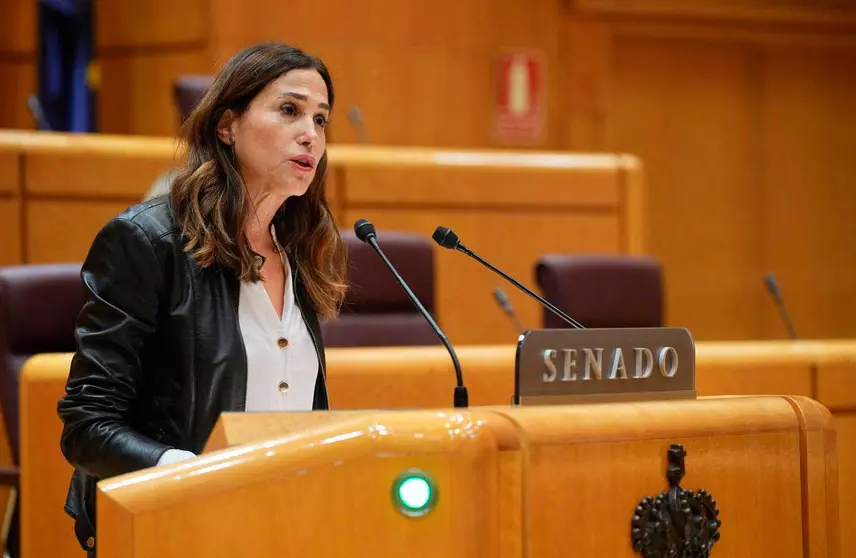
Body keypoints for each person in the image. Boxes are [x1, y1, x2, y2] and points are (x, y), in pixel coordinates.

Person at [56, 42, 347, 556]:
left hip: (284, 527)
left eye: (321, 120)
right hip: (171, 528)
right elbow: (87, 425)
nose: (311, 134)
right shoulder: (148, 242)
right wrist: (193, 474)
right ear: (226, 126)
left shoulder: (297, 247)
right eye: (289, 110)